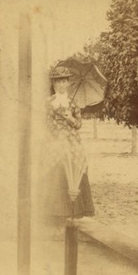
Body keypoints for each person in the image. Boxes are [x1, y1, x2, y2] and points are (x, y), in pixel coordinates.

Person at [43, 64, 94, 225]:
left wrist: (69, 117)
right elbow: (46, 123)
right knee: (56, 171)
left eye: (65, 81)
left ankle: (74, 211)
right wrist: (58, 131)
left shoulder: (73, 103)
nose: (62, 85)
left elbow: (78, 124)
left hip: (72, 142)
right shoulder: (48, 102)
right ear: (54, 84)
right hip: (56, 141)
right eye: (58, 82)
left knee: (74, 169)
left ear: (68, 83)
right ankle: (55, 213)